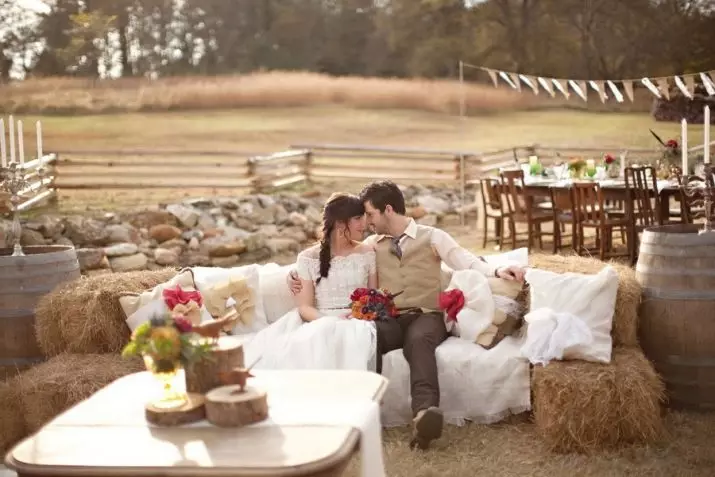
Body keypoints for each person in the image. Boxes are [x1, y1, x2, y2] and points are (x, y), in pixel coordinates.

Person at [287, 180, 526, 450]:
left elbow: (465, 260)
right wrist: (292, 275)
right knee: (367, 337)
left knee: (419, 341)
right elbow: (332, 255)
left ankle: (425, 415)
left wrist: (498, 270)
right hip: (388, 317)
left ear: (387, 209)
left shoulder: (433, 236)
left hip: (427, 315)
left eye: (370, 214)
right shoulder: (371, 244)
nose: (366, 221)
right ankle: (365, 417)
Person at [243, 192, 378, 372]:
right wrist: (331, 321)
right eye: (357, 218)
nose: (364, 224)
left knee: (353, 335)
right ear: (339, 222)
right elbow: (305, 308)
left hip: (358, 319)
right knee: (323, 336)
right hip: (321, 318)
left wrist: (359, 315)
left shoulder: (367, 252)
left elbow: (374, 295)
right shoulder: (307, 258)